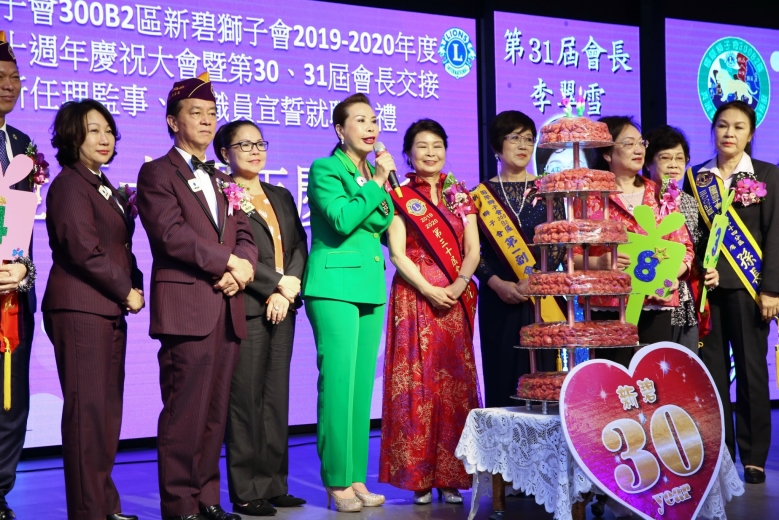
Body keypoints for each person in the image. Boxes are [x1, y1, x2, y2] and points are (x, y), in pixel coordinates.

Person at [136, 73, 257, 520]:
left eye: (212, 113)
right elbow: (171, 236)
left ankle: (207, 499)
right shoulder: (156, 172)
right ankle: (179, 505)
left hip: (226, 306)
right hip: (187, 310)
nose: (207, 121)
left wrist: (242, 269)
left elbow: (245, 235)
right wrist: (229, 264)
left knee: (214, 414)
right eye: (195, 113)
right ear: (173, 121)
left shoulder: (224, 177)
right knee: (184, 413)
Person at [42, 99, 143, 520]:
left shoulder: (102, 184)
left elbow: (119, 247)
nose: (105, 138)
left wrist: (136, 283)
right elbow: (83, 249)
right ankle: (88, 511)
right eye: (93, 130)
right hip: (80, 308)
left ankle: (103, 504)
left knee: (105, 413)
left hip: (106, 309)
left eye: (108, 130)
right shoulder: (69, 184)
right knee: (86, 414)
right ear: (72, 135)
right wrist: (126, 290)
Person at [378, 119, 481, 504]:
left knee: (453, 386)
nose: (431, 152)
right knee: (418, 384)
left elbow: (473, 249)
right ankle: (419, 477)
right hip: (415, 297)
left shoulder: (460, 194)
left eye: (437, 145)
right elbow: (397, 253)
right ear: (408, 154)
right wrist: (428, 289)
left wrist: (457, 285)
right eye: (422, 146)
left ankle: (451, 476)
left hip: (454, 298)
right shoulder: (400, 195)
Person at [301, 93, 395, 513]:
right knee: (338, 384)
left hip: (370, 286)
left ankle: (356, 475)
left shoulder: (371, 174)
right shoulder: (326, 169)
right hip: (334, 285)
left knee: (359, 390)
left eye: (373, 119)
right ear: (341, 130)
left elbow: (379, 221)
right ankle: (336, 480)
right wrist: (377, 182)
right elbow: (341, 219)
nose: (371, 127)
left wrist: (376, 181)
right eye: (360, 120)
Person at [214, 121, 308, 516]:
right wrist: (273, 286)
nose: (255, 151)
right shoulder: (222, 194)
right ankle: (246, 489)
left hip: (284, 305)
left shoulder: (280, 194)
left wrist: (289, 290)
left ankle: (274, 484)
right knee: (245, 400)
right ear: (225, 153)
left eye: (259, 143)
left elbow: (299, 245)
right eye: (245, 144)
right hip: (248, 305)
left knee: (275, 398)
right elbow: (232, 252)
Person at [685, 100, 779, 484]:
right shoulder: (697, 178)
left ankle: (754, 457)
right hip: (708, 291)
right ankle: (722, 454)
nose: (729, 133)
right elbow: (689, 234)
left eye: (739, 127)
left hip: (750, 290)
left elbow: (775, 235)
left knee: (753, 373)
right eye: (723, 125)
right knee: (714, 375)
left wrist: (771, 289)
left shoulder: (768, 175)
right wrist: (696, 271)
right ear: (713, 130)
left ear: (750, 133)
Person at [573, 116, 694, 367]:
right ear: (607, 153)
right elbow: (570, 255)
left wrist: (670, 274)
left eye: (641, 143)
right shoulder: (588, 199)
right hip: (608, 304)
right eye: (629, 144)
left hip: (655, 302)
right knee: (612, 377)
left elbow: (685, 250)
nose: (638, 149)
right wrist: (598, 262)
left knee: (654, 376)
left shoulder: (662, 195)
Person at [474, 111, 566, 408]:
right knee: (502, 375)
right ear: (497, 146)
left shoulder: (548, 191)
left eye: (528, 138)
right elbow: (472, 252)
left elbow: (559, 241)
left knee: (542, 381)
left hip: (541, 296)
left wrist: (535, 279)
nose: (523, 145)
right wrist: (497, 283)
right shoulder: (478, 196)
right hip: (498, 298)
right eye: (514, 137)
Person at [0, 33, 36, 520]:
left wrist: (22, 268)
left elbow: (22, 222)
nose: (9, 85)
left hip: (13, 290)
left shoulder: (22, 145)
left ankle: (0, 490)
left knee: (11, 399)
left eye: (14, 78)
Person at [644, 125, 719, 351]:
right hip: (650, 295)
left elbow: (697, 249)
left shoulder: (689, 202)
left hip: (685, 300)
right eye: (664, 157)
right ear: (647, 163)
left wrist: (709, 271)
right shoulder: (641, 199)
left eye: (679, 158)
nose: (673, 164)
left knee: (685, 363)